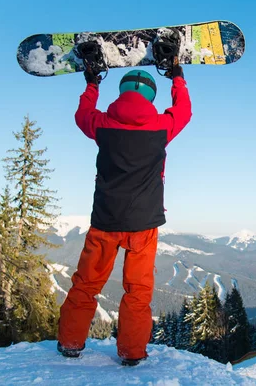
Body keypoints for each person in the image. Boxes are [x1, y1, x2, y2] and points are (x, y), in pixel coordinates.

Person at [57, 61, 191, 366]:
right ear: (151, 97)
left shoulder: (102, 124)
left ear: (122, 91)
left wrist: (92, 84)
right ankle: (131, 352)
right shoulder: (160, 126)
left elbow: (81, 115)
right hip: (143, 224)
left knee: (86, 283)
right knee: (138, 290)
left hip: (105, 219)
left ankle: (70, 343)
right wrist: (178, 78)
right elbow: (184, 111)